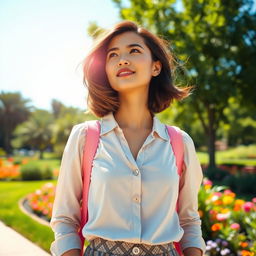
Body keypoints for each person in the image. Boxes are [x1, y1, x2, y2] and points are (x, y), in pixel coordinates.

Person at [50, 20, 206, 256]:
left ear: (156, 67)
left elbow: (189, 222)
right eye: (113, 55)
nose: (122, 59)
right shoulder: (85, 137)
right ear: (107, 71)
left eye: (134, 50)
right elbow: (64, 219)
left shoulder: (179, 142)